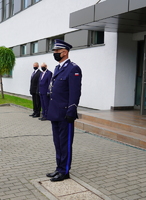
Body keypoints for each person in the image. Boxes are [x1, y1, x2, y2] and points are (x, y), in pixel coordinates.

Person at [46, 39, 82, 182]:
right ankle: (59, 168)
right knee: (57, 142)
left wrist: (71, 111)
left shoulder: (73, 68)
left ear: (64, 52)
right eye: (54, 51)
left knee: (65, 143)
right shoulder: (57, 68)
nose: (54, 53)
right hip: (55, 112)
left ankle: (65, 171)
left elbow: (75, 92)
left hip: (65, 113)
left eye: (56, 51)